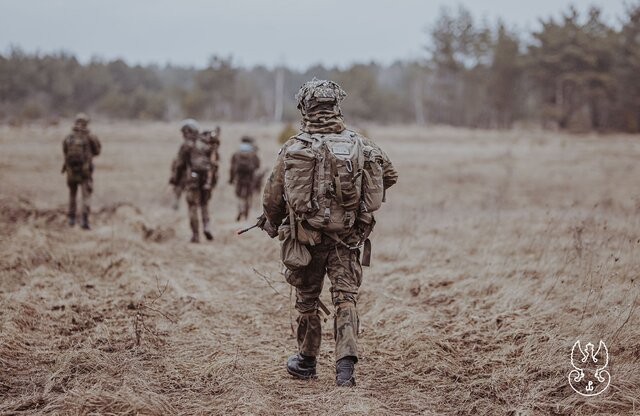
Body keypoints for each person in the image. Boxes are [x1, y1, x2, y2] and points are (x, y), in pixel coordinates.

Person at [262, 79, 398, 386]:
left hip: (305, 239)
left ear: (304, 108)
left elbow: (272, 196)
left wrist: (274, 221)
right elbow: (389, 174)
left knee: (307, 299)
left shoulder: (294, 146)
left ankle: (306, 362)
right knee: (345, 299)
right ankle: (345, 370)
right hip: (348, 240)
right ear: (337, 105)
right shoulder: (361, 144)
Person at [170, 119, 220, 243]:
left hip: (193, 179)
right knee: (204, 204)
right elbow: (215, 160)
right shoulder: (206, 142)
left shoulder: (187, 145)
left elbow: (180, 165)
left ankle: (195, 235)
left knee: (193, 206)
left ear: (187, 131)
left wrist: (175, 180)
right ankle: (207, 227)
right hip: (207, 178)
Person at [62, 113, 101, 229]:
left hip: (71, 171)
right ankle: (84, 221)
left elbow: (64, 150)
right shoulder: (90, 137)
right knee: (86, 196)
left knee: (72, 195)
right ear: (86, 123)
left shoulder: (69, 137)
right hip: (85, 171)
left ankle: (71, 219)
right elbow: (98, 150)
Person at [229, 136, 260, 221]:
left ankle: (240, 209)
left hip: (239, 176)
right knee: (248, 196)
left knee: (239, 196)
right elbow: (257, 166)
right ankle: (246, 214)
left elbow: (232, 168)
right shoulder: (253, 154)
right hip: (250, 177)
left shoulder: (236, 153)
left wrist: (231, 179)